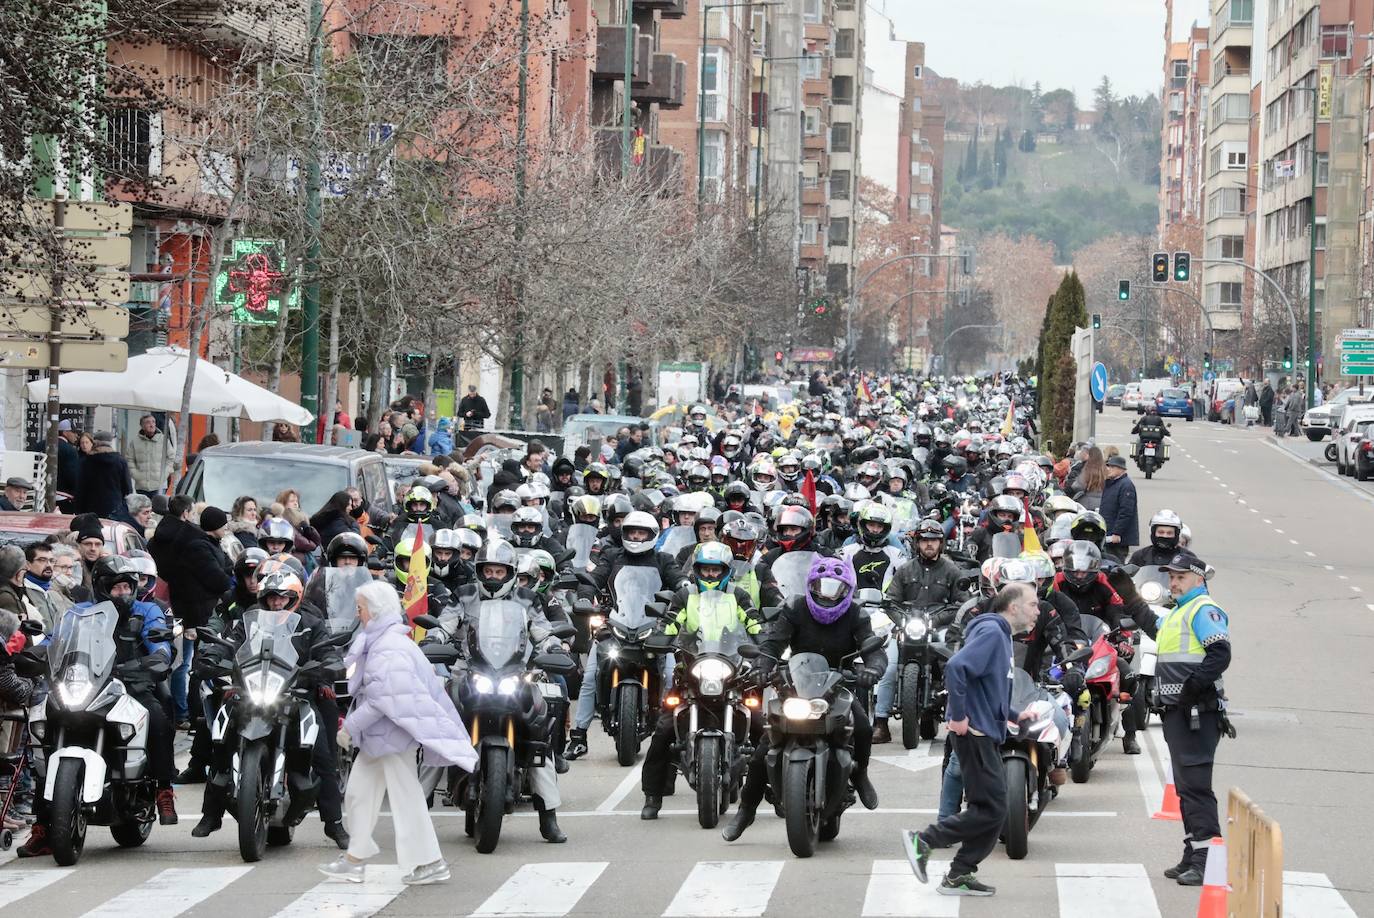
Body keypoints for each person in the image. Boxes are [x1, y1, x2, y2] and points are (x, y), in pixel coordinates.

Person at [18, 556, 179, 857]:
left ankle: (163, 787)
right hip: (84, 683)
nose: (123, 593)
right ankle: (42, 829)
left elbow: (160, 644)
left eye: (127, 587)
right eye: (116, 587)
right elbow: (55, 639)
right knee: (44, 732)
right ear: (102, 588)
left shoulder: (147, 611)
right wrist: (37, 653)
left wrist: (157, 657)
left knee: (156, 716)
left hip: (130, 683)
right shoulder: (79, 612)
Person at [319, 581, 478, 885]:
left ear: (375, 611)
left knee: (405, 799)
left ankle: (430, 862)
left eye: (361, 608)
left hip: (390, 737)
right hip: (383, 737)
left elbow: (381, 699)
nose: (358, 613)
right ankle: (356, 858)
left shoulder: (387, 647)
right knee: (359, 796)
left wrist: (349, 727)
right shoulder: (384, 641)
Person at [721, 555, 885, 842]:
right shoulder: (795, 608)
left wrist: (873, 669)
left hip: (837, 683)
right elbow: (773, 644)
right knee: (762, 750)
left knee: (862, 727)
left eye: (835, 588)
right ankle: (745, 811)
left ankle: (860, 775)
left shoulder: (857, 614)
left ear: (847, 590)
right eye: (822, 586)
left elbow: (873, 649)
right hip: (797, 685)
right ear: (811, 585)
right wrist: (761, 667)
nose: (827, 593)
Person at [902, 581, 1040, 898]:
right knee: (993, 808)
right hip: (975, 732)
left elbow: (989, 686)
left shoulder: (1000, 636)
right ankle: (924, 842)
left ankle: (960, 874)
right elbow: (957, 667)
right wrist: (958, 716)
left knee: (990, 808)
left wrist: (1016, 715)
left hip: (985, 730)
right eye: (1032, 604)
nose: (1037, 610)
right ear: (1014, 606)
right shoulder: (993, 633)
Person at [640, 542, 759, 818]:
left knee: (763, 725)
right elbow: (670, 622)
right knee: (663, 731)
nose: (710, 575)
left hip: (731, 668)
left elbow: (753, 623)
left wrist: (765, 642)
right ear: (696, 570)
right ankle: (653, 795)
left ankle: (776, 791)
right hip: (692, 668)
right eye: (705, 569)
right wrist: (660, 637)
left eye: (716, 570)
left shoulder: (738, 596)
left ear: (726, 571)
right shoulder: (685, 596)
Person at [1144, 549, 1232, 886]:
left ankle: (1207, 859)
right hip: (1179, 712)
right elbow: (1153, 626)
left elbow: (1220, 653)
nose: (1173, 582)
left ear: (1199, 579)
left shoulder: (1202, 609)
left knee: (1195, 788)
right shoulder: (1179, 612)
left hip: (1197, 712)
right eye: (1171, 577)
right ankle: (1193, 851)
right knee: (1185, 787)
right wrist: (1124, 592)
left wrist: (1193, 687)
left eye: (1180, 577)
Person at [147, 498, 233, 728]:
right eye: (223, 523)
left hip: (195, 612)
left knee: (190, 664)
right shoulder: (198, 546)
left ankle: (190, 713)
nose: (226, 528)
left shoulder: (205, 543)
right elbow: (218, 578)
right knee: (188, 666)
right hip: (193, 615)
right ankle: (187, 714)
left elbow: (225, 569)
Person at [74, 431, 133, 517]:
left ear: (95, 442)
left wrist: (78, 510)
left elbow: (80, 487)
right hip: (115, 507)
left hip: (91, 508)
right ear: (110, 442)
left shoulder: (86, 462)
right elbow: (127, 488)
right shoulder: (120, 461)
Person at [124, 414, 174, 498]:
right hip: (141, 485)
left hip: (159, 485)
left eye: (153, 422)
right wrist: (135, 474)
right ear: (142, 426)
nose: (151, 425)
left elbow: (171, 458)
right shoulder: (135, 441)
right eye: (148, 422)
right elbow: (129, 459)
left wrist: (165, 473)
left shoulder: (164, 440)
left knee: (157, 509)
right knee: (143, 509)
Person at [1100, 456, 1138, 562]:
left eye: (1112, 467)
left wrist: (1117, 533)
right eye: (1108, 466)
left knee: (1116, 564)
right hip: (1108, 534)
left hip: (1117, 538)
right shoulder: (1111, 483)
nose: (1108, 469)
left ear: (1121, 469)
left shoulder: (1126, 485)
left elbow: (1126, 512)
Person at [1070, 446, 1105, 511]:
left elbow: (1076, 486)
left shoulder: (1088, 469)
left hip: (1086, 504)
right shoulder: (1105, 470)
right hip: (1103, 504)